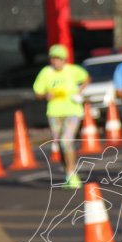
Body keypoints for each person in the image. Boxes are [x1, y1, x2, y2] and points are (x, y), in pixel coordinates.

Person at [32, 44, 89, 189]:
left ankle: (72, 174)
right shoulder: (46, 73)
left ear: (64, 60)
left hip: (72, 111)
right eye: (54, 59)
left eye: (59, 59)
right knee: (60, 145)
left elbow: (87, 78)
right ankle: (68, 173)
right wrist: (45, 95)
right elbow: (37, 92)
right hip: (54, 113)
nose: (56, 62)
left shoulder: (72, 71)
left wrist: (79, 92)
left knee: (66, 141)